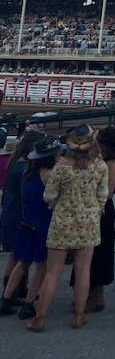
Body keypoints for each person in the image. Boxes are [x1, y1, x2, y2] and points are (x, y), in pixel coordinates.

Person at [29, 125, 108, 332]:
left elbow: (49, 195)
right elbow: (103, 194)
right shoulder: (100, 166)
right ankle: (79, 315)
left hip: (62, 221)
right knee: (83, 270)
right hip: (88, 221)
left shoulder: (62, 165)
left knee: (53, 272)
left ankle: (39, 318)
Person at [0, 135, 61, 318]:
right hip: (43, 223)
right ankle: (28, 302)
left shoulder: (27, 173)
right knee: (41, 266)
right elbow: (55, 198)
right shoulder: (48, 174)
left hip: (26, 221)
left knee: (22, 262)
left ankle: (6, 298)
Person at [83, 127, 115, 312]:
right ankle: (90, 293)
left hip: (102, 209)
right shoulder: (103, 161)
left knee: (99, 252)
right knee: (92, 251)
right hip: (96, 207)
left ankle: (95, 294)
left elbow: (108, 192)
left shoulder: (111, 162)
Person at [1, 130, 43, 303]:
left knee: (16, 255)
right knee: (17, 256)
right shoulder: (24, 168)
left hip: (10, 212)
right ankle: (11, 293)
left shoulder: (14, 163)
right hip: (19, 214)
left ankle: (14, 291)